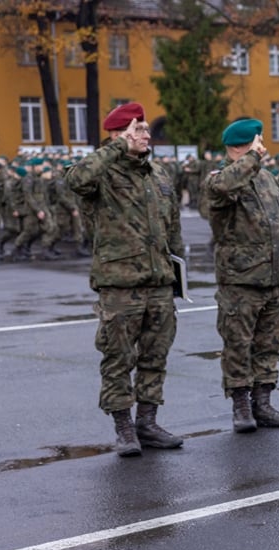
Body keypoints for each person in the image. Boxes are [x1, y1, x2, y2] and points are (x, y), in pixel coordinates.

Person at [65, 102, 186, 457]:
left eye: (147, 128)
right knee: (118, 358)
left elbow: (172, 228)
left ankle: (147, 423)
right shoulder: (103, 172)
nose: (146, 135)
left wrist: (176, 274)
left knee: (155, 356)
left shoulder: (158, 174)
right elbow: (75, 179)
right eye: (139, 129)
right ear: (118, 134)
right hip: (120, 284)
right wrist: (117, 146)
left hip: (159, 283)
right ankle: (123, 428)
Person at [203, 119, 279, 433]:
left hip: (275, 276)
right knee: (238, 345)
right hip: (241, 280)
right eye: (258, 140)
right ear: (245, 144)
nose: (263, 145)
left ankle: (263, 402)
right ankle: (241, 405)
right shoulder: (220, 179)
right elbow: (225, 187)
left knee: (269, 343)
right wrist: (252, 159)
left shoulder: (268, 178)